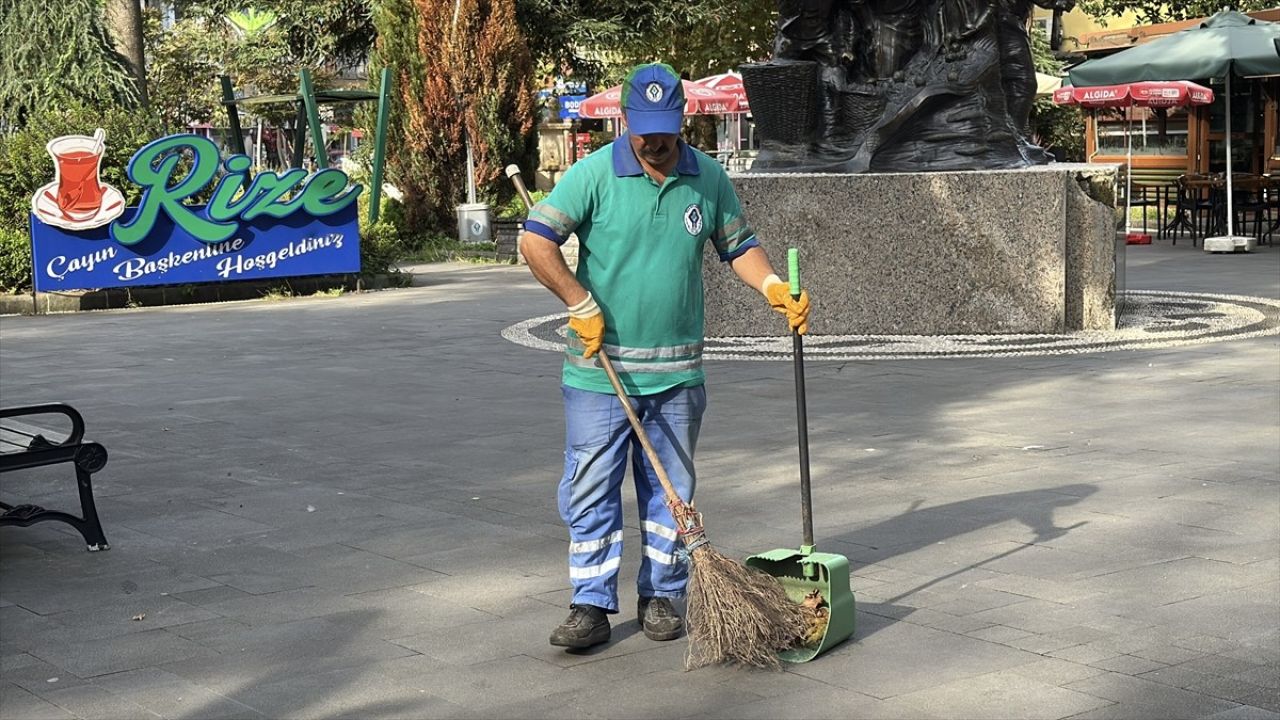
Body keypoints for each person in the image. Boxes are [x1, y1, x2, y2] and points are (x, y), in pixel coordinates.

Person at [519, 62, 813, 650]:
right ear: (627, 119)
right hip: (600, 375)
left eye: (666, 129)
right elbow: (535, 240)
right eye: (644, 128)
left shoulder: (707, 177)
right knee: (591, 489)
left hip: (677, 376)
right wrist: (579, 304)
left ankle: (662, 595)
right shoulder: (593, 173)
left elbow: (739, 246)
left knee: (670, 493)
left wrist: (774, 287)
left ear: (682, 120)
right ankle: (590, 604)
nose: (654, 141)